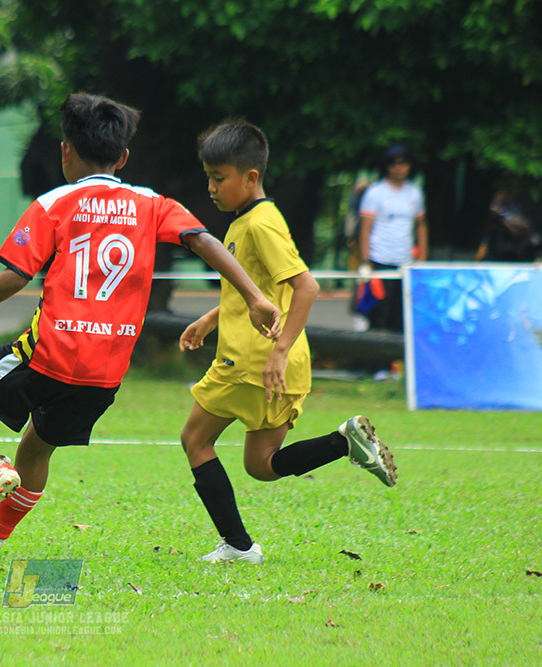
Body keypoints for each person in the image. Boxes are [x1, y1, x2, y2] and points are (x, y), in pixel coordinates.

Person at [0, 93, 283, 574]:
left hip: (52, 350)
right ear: (124, 158)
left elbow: (14, 275)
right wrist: (255, 295)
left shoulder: (54, 203)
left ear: (65, 151)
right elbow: (204, 240)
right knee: (37, 448)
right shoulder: (152, 204)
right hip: (105, 372)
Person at [178, 119, 397, 565]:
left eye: (219, 178)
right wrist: (210, 317)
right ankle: (343, 441)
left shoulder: (259, 224)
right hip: (282, 365)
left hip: (253, 361)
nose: (212, 188)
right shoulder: (251, 221)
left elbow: (307, 287)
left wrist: (276, 353)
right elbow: (261, 291)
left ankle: (239, 547)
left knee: (195, 441)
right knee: (261, 464)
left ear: (250, 177)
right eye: (208, 178)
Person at [357, 143, 428, 331]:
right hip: (379, 261)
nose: (398, 167)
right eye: (393, 163)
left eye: (403, 163)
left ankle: (397, 360)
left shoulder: (415, 193)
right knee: (379, 316)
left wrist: (421, 258)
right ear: (386, 167)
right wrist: (365, 261)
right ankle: (375, 361)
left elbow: (421, 225)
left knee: (401, 316)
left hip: (405, 263)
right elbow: (365, 229)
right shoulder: (375, 193)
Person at [474, 181, 541, 263]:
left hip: (518, 253)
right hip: (496, 254)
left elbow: (523, 228)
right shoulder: (496, 210)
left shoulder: (516, 208)